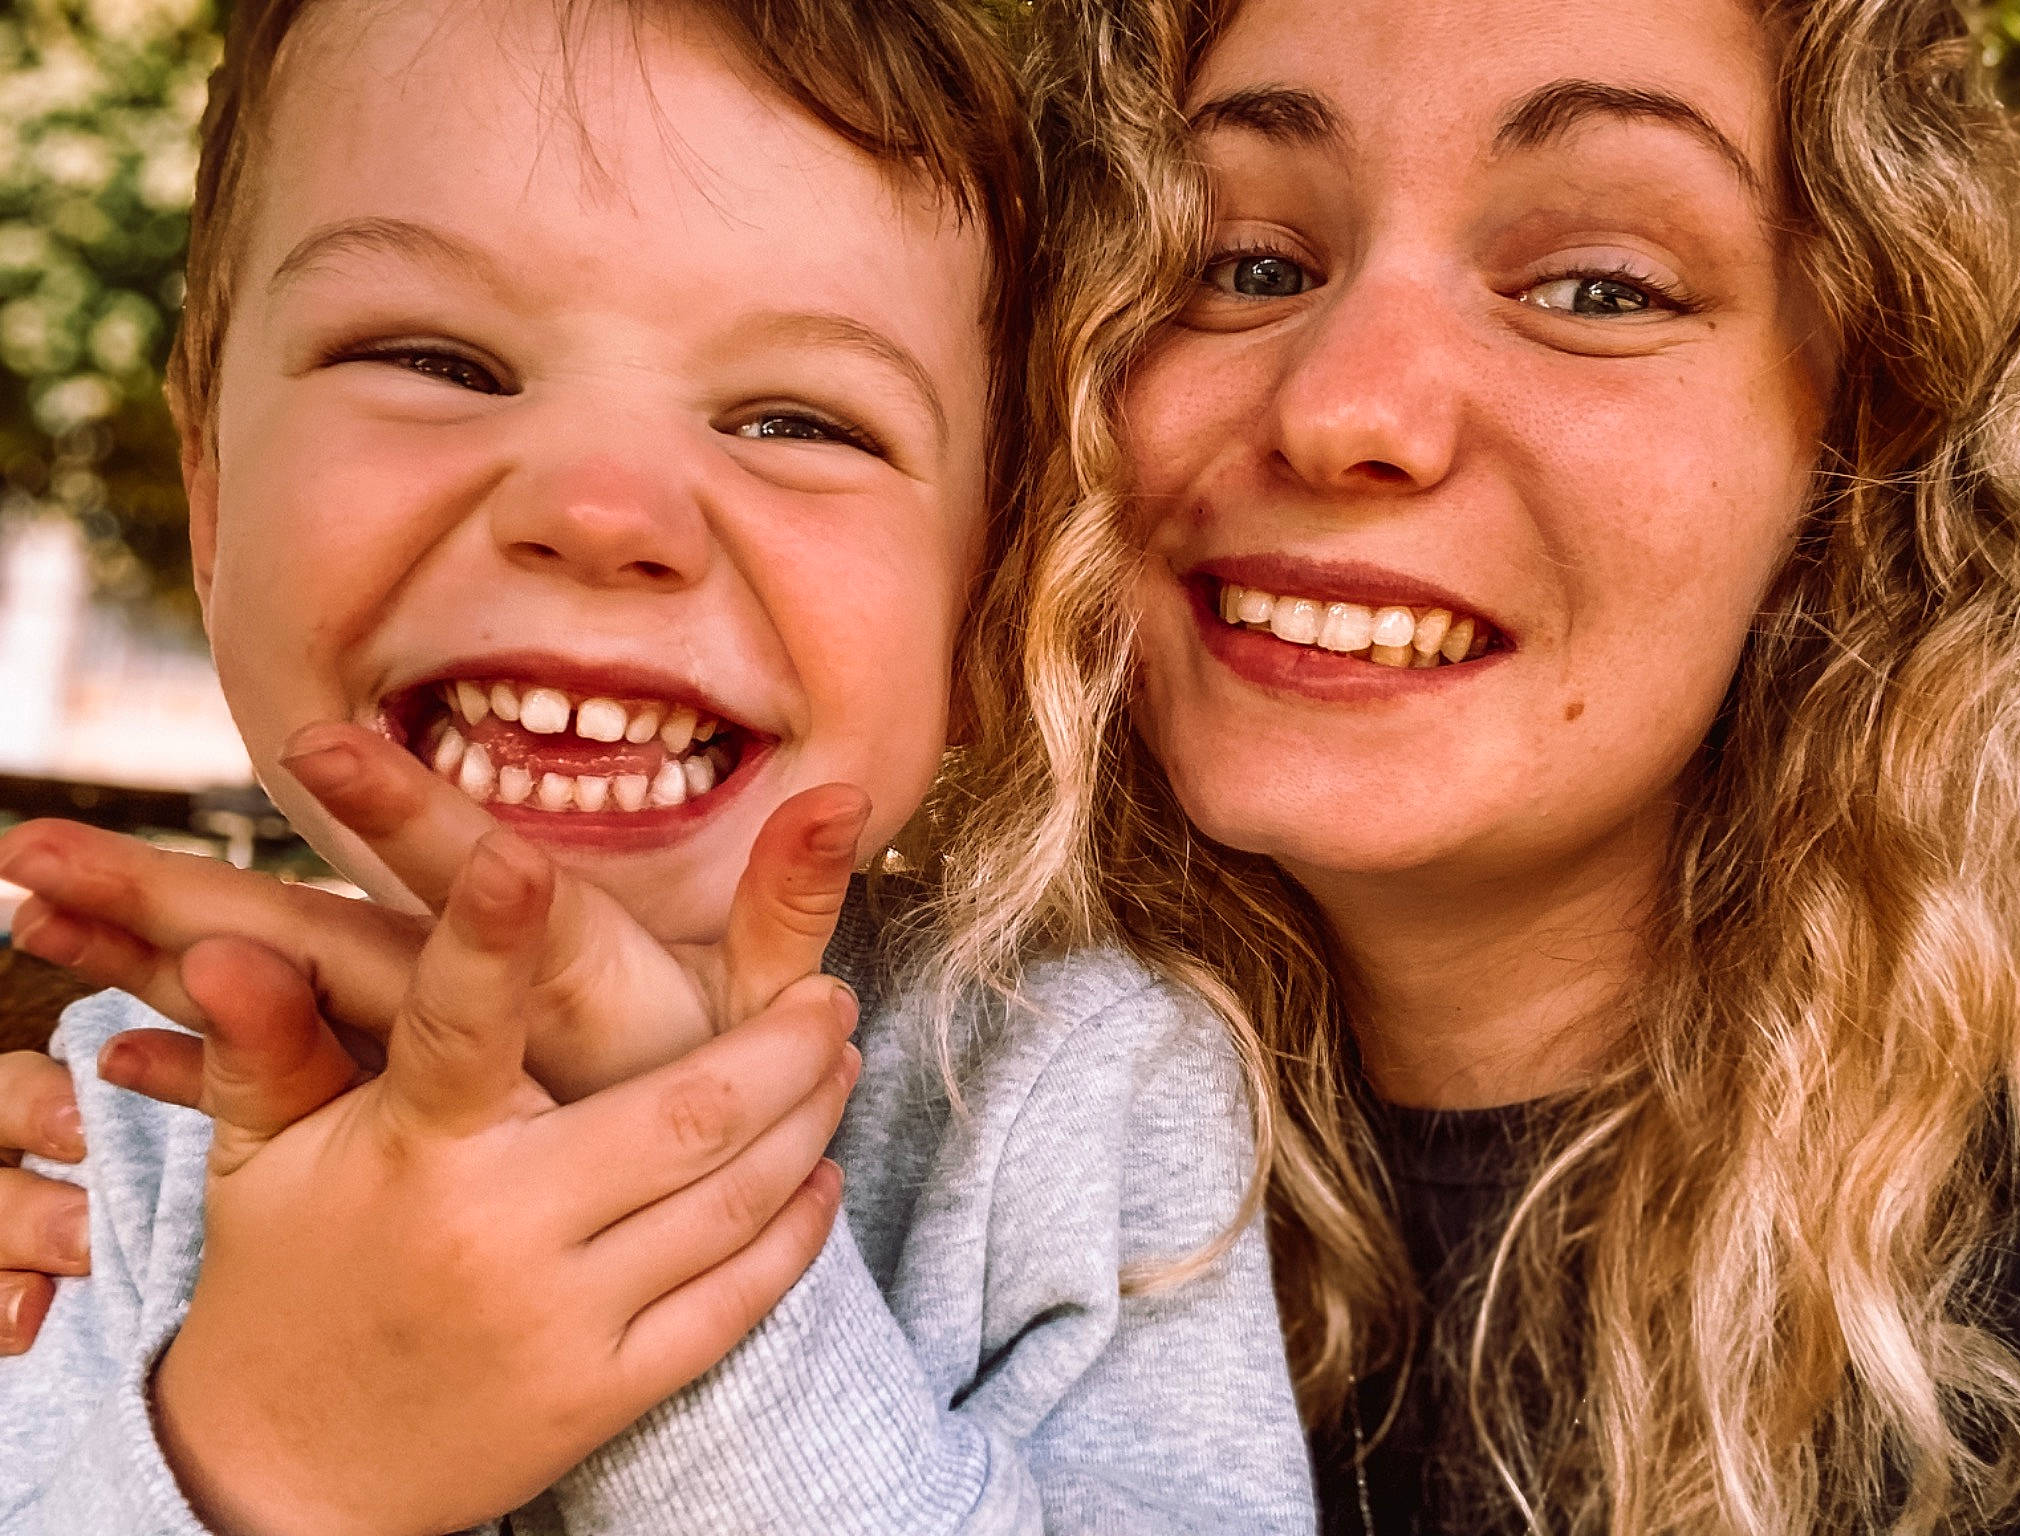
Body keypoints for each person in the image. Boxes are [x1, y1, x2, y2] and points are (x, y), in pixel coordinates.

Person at [0, 1, 1315, 1532]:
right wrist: (265, 1462)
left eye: (799, 418)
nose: (603, 507)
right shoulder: (124, 1101)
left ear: (988, 602)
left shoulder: (1070, 1093)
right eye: (437, 359)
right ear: (213, 493)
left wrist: (693, 1253)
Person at [932, 0, 2020, 1531]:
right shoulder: (902, 1137)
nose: (1341, 412)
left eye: (1598, 288)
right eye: (1248, 266)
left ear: (1863, 455)